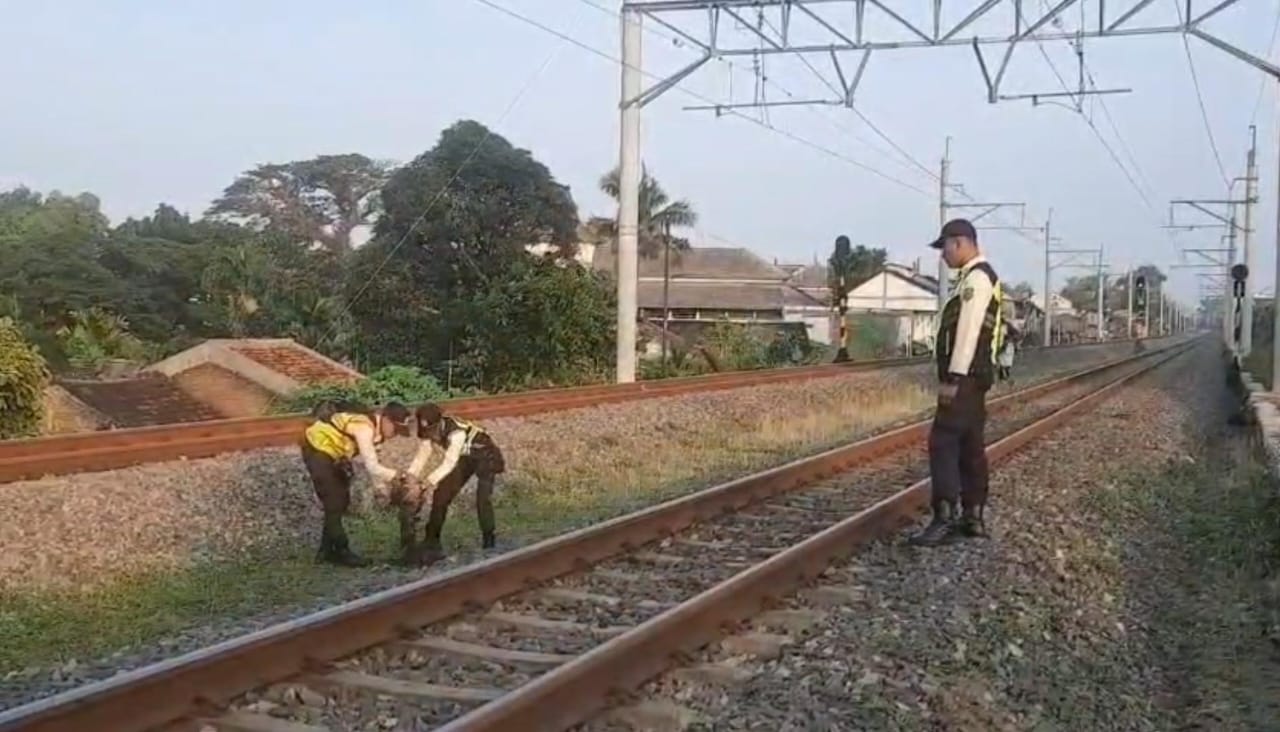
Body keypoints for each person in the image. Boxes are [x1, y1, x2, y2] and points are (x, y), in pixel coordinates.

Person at [910, 218, 1005, 547]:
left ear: (960, 243)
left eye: (945, 248)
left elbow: (968, 331)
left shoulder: (976, 280)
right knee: (970, 447)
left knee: (943, 442)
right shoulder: (979, 278)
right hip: (976, 378)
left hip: (965, 378)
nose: (944, 256)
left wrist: (953, 377)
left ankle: (944, 517)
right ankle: (972, 517)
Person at [300, 400, 413, 566]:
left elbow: (374, 464)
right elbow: (372, 466)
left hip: (335, 454)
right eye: (396, 429)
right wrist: (399, 476)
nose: (396, 434)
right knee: (334, 502)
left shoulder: (375, 432)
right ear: (387, 420)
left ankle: (325, 552)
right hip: (317, 449)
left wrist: (380, 488)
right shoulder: (365, 429)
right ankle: (341, 551)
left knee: (341, 500)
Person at [403, 403, 506, 565]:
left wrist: (426, 483)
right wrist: (410, 476)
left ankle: (489, 539)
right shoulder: (426, 430)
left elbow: (449, 462)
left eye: (432, 431)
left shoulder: (455, 433)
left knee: (482, 498)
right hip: (464, 457)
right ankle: (432, 540)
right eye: (427, 431)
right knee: (441, 495)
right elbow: (423, 455)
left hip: (485, 455)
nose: (431, 435)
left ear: (439, 423)